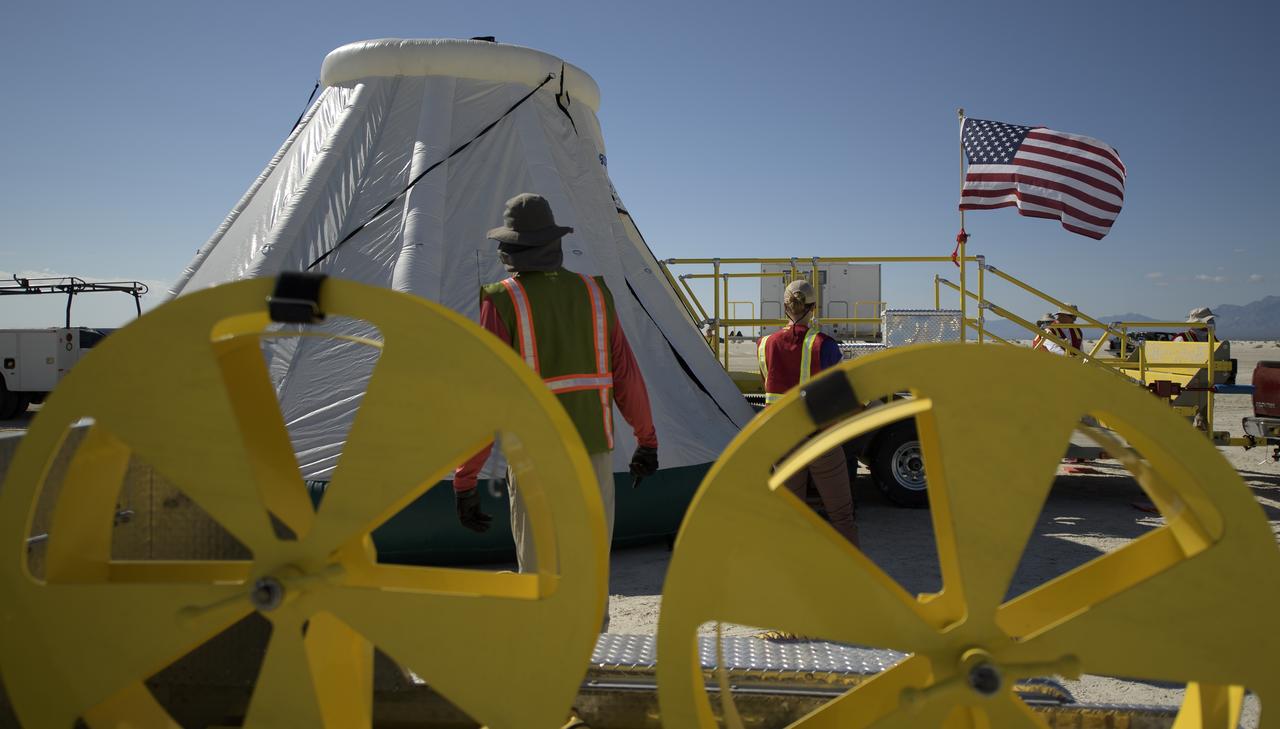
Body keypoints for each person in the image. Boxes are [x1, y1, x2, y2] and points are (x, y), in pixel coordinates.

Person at [452, 193, 660, 608]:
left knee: (542, 576)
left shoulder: (501, 300)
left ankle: (550, 660)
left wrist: (465, 478)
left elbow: (488, 398)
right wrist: (647, 442)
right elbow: (626, 377)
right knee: (590, 569)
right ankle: (594, 653)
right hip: (594, 455)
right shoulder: (596, 294)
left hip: (534, 461)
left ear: (512, 248)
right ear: (554, 243)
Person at [757, 280, 859, 546]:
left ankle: (792, 577)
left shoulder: (764, 344)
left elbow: (768, 386)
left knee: (789, 515)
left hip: (783, 439)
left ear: (785, 306)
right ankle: (853, 577)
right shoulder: (824, 345)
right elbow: (840, 393)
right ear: (814, 307)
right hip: (819, 437)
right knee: (842, 516)